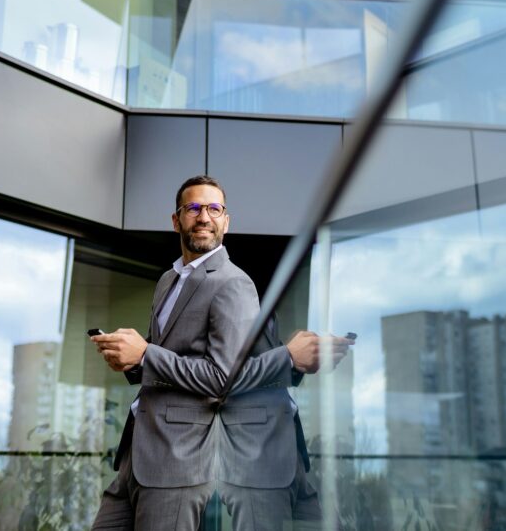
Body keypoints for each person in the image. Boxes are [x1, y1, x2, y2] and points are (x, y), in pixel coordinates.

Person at [90, 175, 352, 530]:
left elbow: (222, 378)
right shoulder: (169, 280)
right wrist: (130, 358)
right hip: (142, 447)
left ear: (226, 221)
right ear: (176, 219)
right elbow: (172, 359)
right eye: (193, 208)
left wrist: (146, 354)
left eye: (214, 209)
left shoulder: (233, 283)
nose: (203, 217)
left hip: (188, 454)